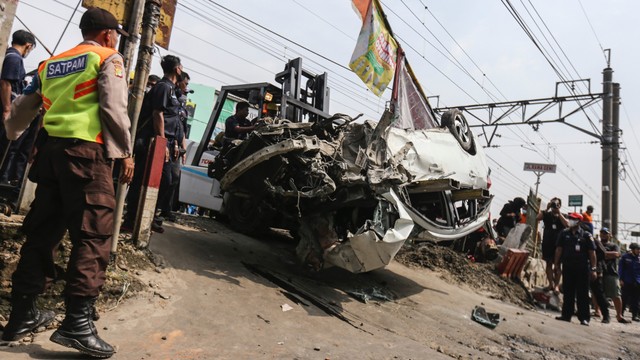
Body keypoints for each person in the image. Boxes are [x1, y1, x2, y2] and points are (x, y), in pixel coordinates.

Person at [1, 8, 134, 358]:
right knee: (93, 236)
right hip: (87, 157)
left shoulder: (51, 64)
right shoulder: (109, 57)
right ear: (108, 34)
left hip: (50, 156)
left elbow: (23, 107)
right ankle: (76, 323)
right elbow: (114, 108)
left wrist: (12, 133)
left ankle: (20, 317)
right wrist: (124, 152)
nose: (116, 40)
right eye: (117, 35)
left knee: (41, 235)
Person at [124, 55, 183, 229]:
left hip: (166, 142)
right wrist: (161, 142)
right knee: (145, 179)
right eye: (181, 67)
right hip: (153, 141)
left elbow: (174, 120)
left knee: (167, 180)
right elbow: (158, 115)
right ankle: (131, 220)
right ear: (177, 69)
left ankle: (146, 218)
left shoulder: (172, 90)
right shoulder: (163, 87)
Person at [0, 30, 38, 187]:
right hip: (5, 110)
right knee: (5, 148)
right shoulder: (14, 58)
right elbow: (5, 83)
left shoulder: (10, 56)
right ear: (28, 45)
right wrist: (7, 109)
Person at [554, 212, 597, 326]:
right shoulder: (564, 234)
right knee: (568, 292)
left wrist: (593, 269)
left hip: (582, 268)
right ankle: (566, 315)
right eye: (570, 218)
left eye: (573, 219)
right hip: (568, 267)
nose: (570, 220)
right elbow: (559, 249)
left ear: (579, 221)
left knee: (582, 293)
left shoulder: (586, 236)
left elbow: (592, 253)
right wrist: (556, 264)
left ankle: (584, 318)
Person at [598, 228, 629, 323]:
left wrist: (603, 254)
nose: (603, 235)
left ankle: (619, 315)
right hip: (599, 271)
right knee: (597, 293)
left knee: (616, 294)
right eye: (602, 233)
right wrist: (607, 255)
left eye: (605, 233)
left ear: (609, 235)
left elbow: (616, 254)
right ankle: (597, 311)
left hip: (611, 272)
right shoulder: (597, 244)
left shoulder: (613, 245)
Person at [619, 243, 640, 322]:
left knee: (636, 299)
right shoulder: (625, 257)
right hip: (627, 281)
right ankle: (621, 313)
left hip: (637, 282)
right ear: (633, 249)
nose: (639, 251)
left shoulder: (639, 258)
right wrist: (621, 279)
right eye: (637, 249)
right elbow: (621, 269)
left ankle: (635, 315)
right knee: (624, 298)